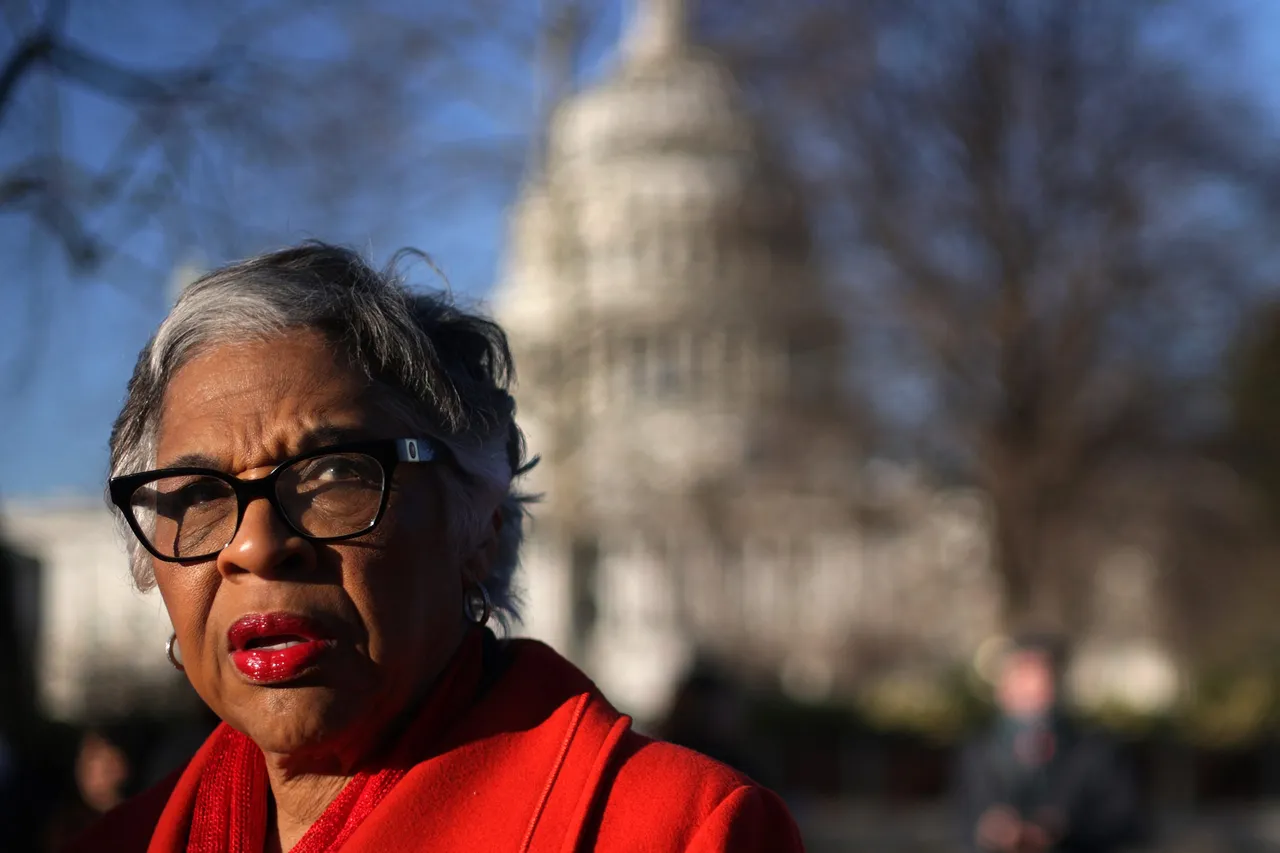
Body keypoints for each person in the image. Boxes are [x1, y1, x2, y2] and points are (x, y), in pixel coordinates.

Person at [68, 243, 804, 853]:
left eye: (334, 475)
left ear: (479, 524)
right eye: (198, 494)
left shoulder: (684, 831)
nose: (257, 545)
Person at [956, 634, 1142, 853]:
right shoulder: (978, 751)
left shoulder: (1094, 751)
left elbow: (1127, 820)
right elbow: (962, 817)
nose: (1030, 692)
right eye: (1021, 679)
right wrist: (988, 828)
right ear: (1002, 688)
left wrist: (1063, 828)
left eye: (1039, 681)